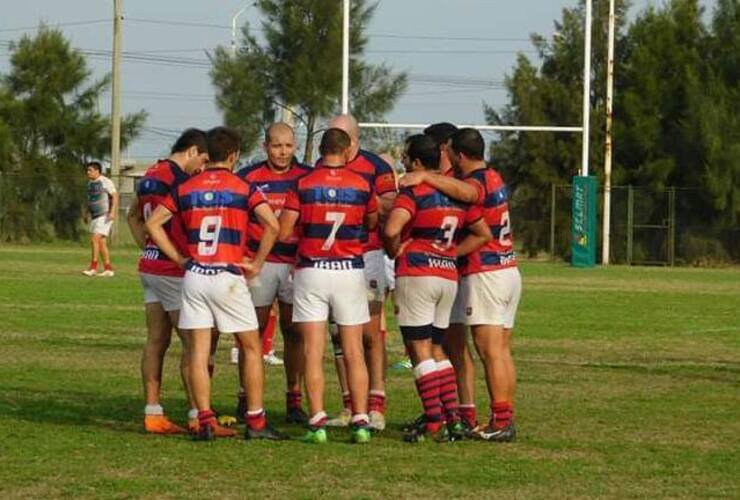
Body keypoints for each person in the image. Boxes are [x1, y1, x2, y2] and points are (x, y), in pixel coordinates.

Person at [146, 126, 285, 441]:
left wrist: (180, 259)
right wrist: (258, 262)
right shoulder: (243, 187)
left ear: (207, 154)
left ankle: (204, 420)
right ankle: (256, 421)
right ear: (235, 155)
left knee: (198, 350)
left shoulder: (186, 187)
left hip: (195, 276)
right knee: (250, 347)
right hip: (227, 274)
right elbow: (273, 225)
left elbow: (153, 223)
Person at [384, 135, 492, 442]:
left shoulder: (414, 191)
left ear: (416, 163)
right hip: (447, 276)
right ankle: (453, 418)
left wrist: (396, 249)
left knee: (419, 350)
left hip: (418, 273)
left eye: (406, 158)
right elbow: (483, 233)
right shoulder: (456, 193)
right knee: (436, 348)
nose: (404, 162)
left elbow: (393, 228)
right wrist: (449, 253)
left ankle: (433, 421)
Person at [279, 128, 378, 444]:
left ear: (321, 151)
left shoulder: (303, 183)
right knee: (353, 350)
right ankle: (361, 420)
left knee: (313, 351)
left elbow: (284, 230)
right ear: (348, 150)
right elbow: (372, 222)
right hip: (349, 270)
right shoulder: (362, 184)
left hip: (312, 270)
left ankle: (317, 421)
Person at [126, 128, 209, 435]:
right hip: (172, 271)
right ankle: (197, 415)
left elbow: (133, 216)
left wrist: (148, 247)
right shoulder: (178, 180)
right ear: (191, 152)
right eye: (202, 161)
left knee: (156, 341)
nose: (201, 168)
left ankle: (153, 412)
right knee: (193, 345)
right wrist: (175, 255)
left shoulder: (150, 174)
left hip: (149, 266)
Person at [448, 128, 522, 442]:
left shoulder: (475, 182)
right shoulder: (494, 175)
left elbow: (468, 196)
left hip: (487, 271)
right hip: (508, 270)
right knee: (501, 351)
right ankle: (504, 417)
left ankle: (501, 421)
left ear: (460, 155)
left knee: (489, 350)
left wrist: (427, 179)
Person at [324, 114, 396, 431]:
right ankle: (349, 405)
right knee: (339, 334)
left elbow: (390, 207)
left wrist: (355, 197)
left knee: (369, 334)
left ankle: (376, 404)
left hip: (367, 255)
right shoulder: (322, 165)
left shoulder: (375, 168)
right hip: (331, 259)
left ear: (354, 140)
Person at [235, 122, 311, 424]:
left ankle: (294, 398)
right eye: (277, 146)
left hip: (295, 265)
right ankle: (246, 397)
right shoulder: (248, 178)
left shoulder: (306, 178)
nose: (283, 152)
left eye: (288, 146)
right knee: (251, 333)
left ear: (295, 146)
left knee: (295, 332)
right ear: (265, 146)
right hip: (260, 263)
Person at [83, 161, 119, 277]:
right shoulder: (89, 183)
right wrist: (86, 213)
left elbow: (115, 196)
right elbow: (90, 199)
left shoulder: (106, 182)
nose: (88, 172)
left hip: (105, 215)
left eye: (90, 170)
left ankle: (93, 267)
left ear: (97, 171)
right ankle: (108, 269)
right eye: (87, 170)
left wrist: (112, 211)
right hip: (95, 216)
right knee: (101, 242)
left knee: (95, 238)